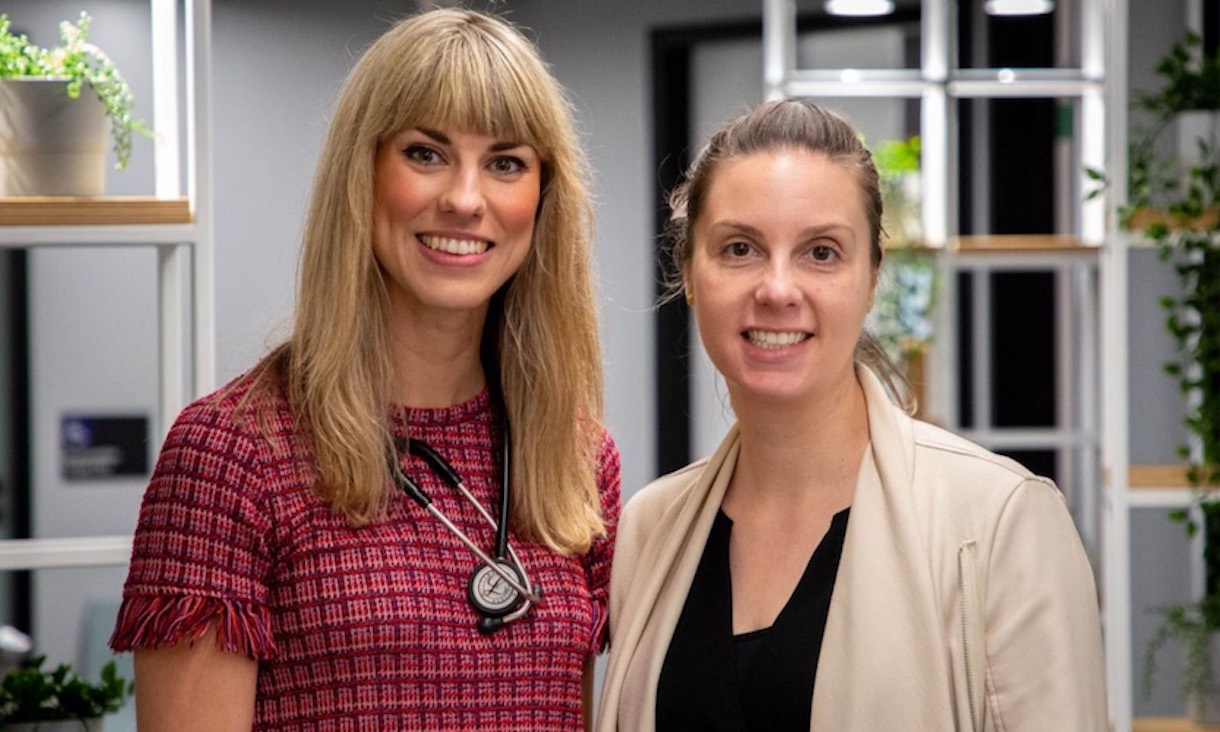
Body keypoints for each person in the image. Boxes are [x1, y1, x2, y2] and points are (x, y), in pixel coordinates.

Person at [109, 8, 620, 730]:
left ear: (543, 200)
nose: (466, 200)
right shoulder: (229, 454)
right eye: (426, 153)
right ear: (363, 173)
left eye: (505, 163)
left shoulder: (576, 459)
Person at [596, 99, 1106, 731]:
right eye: (739, 248)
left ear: (871, 279)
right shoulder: (651, 530)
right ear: (690, 273)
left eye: (822, 253)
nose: (778, 289)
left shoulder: (998, 522)